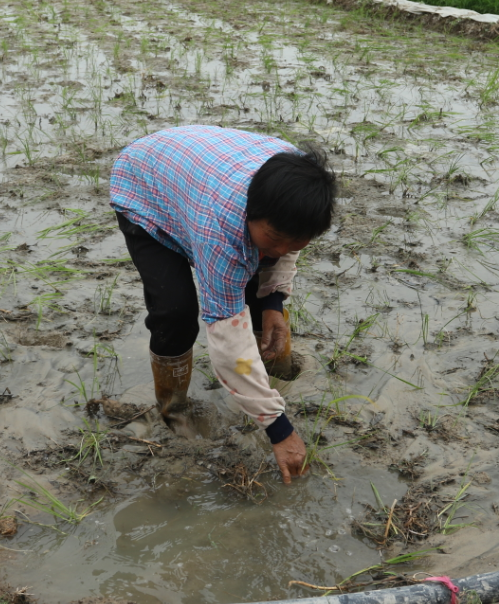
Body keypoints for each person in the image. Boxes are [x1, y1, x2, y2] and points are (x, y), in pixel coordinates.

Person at [109, 125, 337, 484]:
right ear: (249, 212)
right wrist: (280, 430)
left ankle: (274, 374)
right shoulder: (221, 231)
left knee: (257, 279)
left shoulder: (297, 187)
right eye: (273, 238)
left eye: (295, 242)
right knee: (176, 313)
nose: (281, 250)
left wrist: (273, 302)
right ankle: (174, 413)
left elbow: (283, 247)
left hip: (199, 177)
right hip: (145, 187)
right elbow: (228, 346)